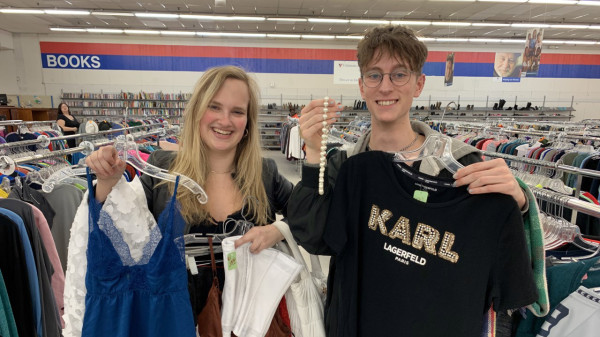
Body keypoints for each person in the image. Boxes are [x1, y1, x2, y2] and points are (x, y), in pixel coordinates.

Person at [287, 25, 538, 336]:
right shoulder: (346, 166)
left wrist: (518, 201)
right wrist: (314, 152)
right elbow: (313, 237)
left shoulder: (462, 165)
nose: (385, 87)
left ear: (418, 84)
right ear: (362, 85)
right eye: (374, 75)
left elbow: (506, 268)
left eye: (399, 74)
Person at [82, 66, 294, 330]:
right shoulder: (163, 170)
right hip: (175, 318)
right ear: (197, 112)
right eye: (214, 107)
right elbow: (117, 235)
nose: (225, 120)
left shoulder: (265, 173)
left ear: (248, 122)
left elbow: (309, 216)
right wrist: (106, 180)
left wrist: (277, 230)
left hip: (251, 320)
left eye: (237, 111)